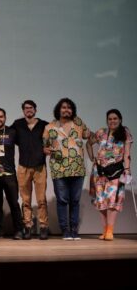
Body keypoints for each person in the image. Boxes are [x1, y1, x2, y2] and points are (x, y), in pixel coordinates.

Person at [43, 98, 90, 240]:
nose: (66, 110)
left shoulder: (78, 123)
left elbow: (89, 136)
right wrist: (45, 150)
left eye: (69, 107)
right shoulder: (49, 127)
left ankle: (74, 230)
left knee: (75, 201)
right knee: (62, 201)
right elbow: (45, 146)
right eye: (64, 107)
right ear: (59, 109)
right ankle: (65, 230)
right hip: (59, 168)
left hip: (78, 169)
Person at [87, 109, 132, 241]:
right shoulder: (101, 132)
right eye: (110, 119)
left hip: (116, 171)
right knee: (101, 202)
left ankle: (110, 231)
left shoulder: (125, 133)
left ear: (120, 119)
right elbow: (88, 143)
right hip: (99, 171)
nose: (112, 121)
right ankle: (105, 230)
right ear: (107, 120)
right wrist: (92, 157)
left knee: (112, 201)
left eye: (115, 118)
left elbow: (127, 153)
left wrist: (127, 169)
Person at [11, 101, 49, 240]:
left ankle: (44, 226)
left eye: (31, 108)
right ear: (23, 111)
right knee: (25, 200)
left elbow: (52, 139)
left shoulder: (44, 124)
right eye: (26, 108)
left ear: (35, 110)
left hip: (40, 166)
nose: (28, 110)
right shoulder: (18, 124)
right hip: (23, 166)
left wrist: (48, 148)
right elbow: (9, 137)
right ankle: (27, 226)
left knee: (41, 200)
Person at [0, 108, 23, 240]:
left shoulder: (12, 132)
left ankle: (19, 230)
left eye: (1, 116)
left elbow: (25, 145)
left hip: (9, 174)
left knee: (14, 203)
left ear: (5, 118)